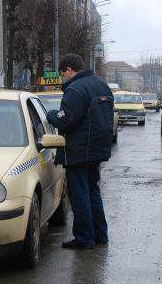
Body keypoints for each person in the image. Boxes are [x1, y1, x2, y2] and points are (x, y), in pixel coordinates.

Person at [46, 54, 114, 249]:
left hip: (79, 150)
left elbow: (65, 118)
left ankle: (84, 238)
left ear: (69, 70)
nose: (63, 79)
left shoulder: (75, 90)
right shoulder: (101, 85)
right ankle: (100, 235)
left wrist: (51, 116)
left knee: (80, 195)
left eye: (63, 75)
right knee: (93, 191)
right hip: (97, 149)